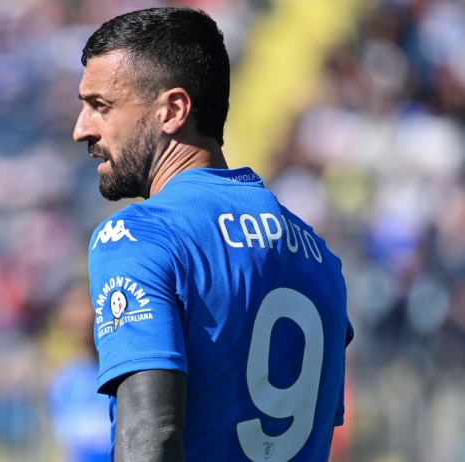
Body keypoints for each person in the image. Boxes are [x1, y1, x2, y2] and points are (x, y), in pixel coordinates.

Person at [72, 7, 354, 462]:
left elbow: (150, 437)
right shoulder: (320, 259)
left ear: (173, 110)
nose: (81, 129)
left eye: (100, 106)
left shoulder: (139, 237)